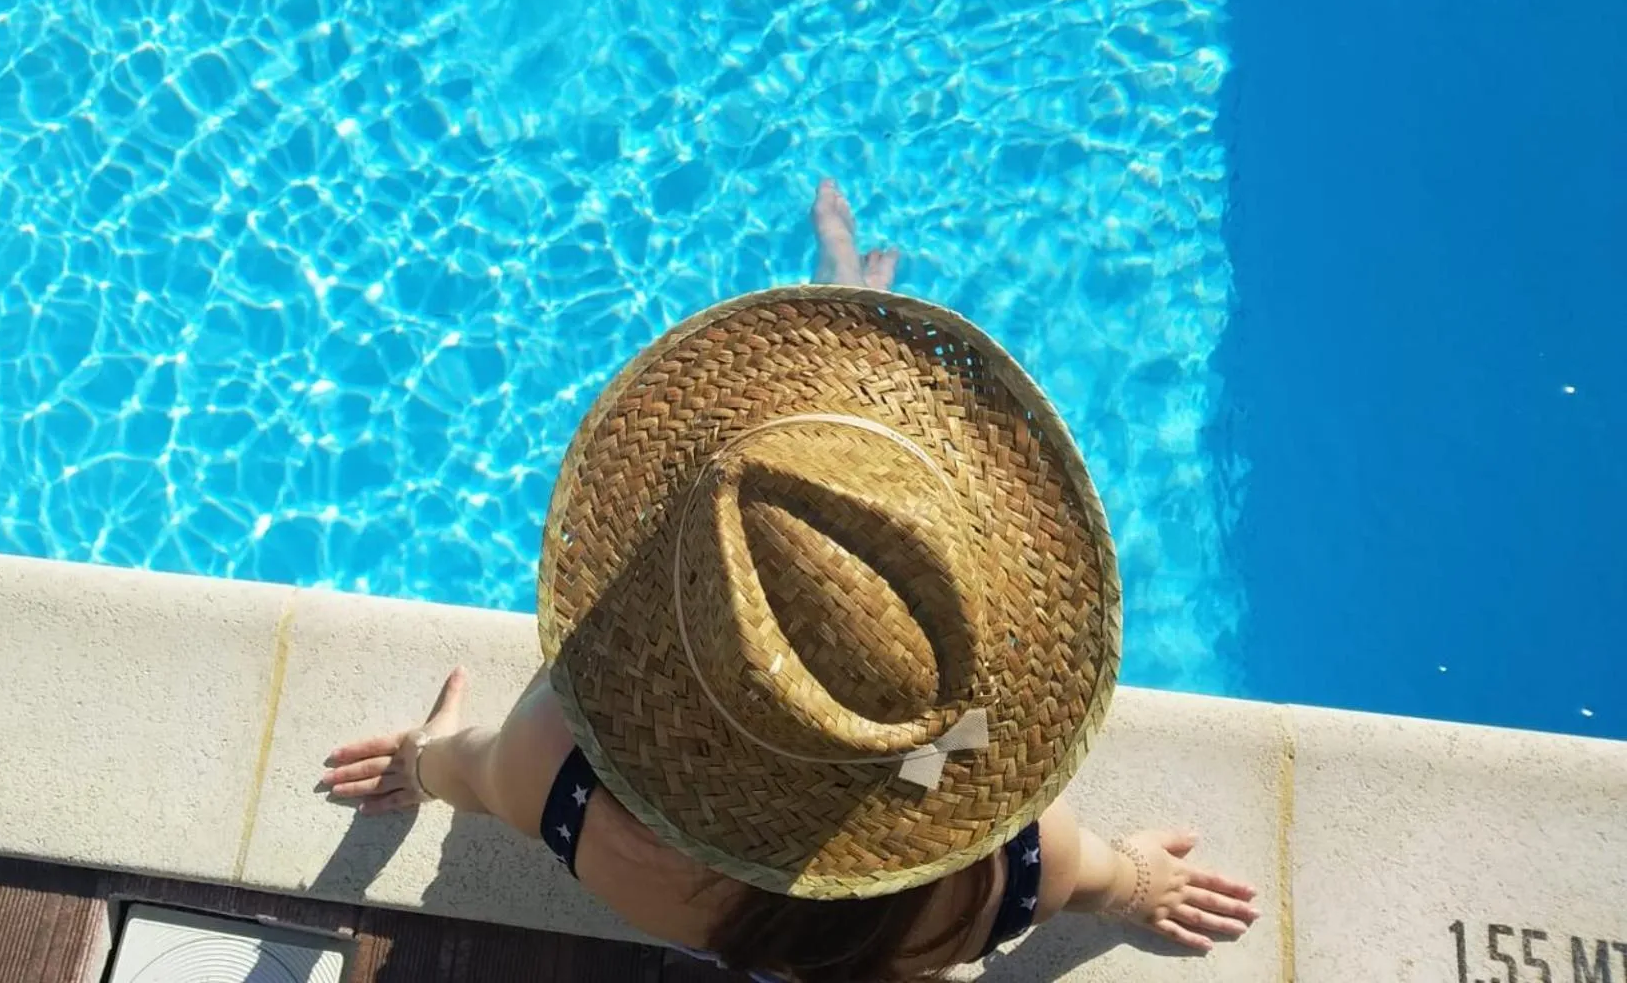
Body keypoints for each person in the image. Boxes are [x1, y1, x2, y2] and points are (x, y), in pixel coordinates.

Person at [321, 180, 1259, 982]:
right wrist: (1140, 883)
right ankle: (850, 322)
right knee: (911, 676)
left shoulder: (553, 773)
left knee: (754, 525)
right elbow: (1098, 876)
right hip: (901, 791)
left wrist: (419, 757)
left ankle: (840, 325)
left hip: (698, 843)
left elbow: (467, 771)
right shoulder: (1010, 874)